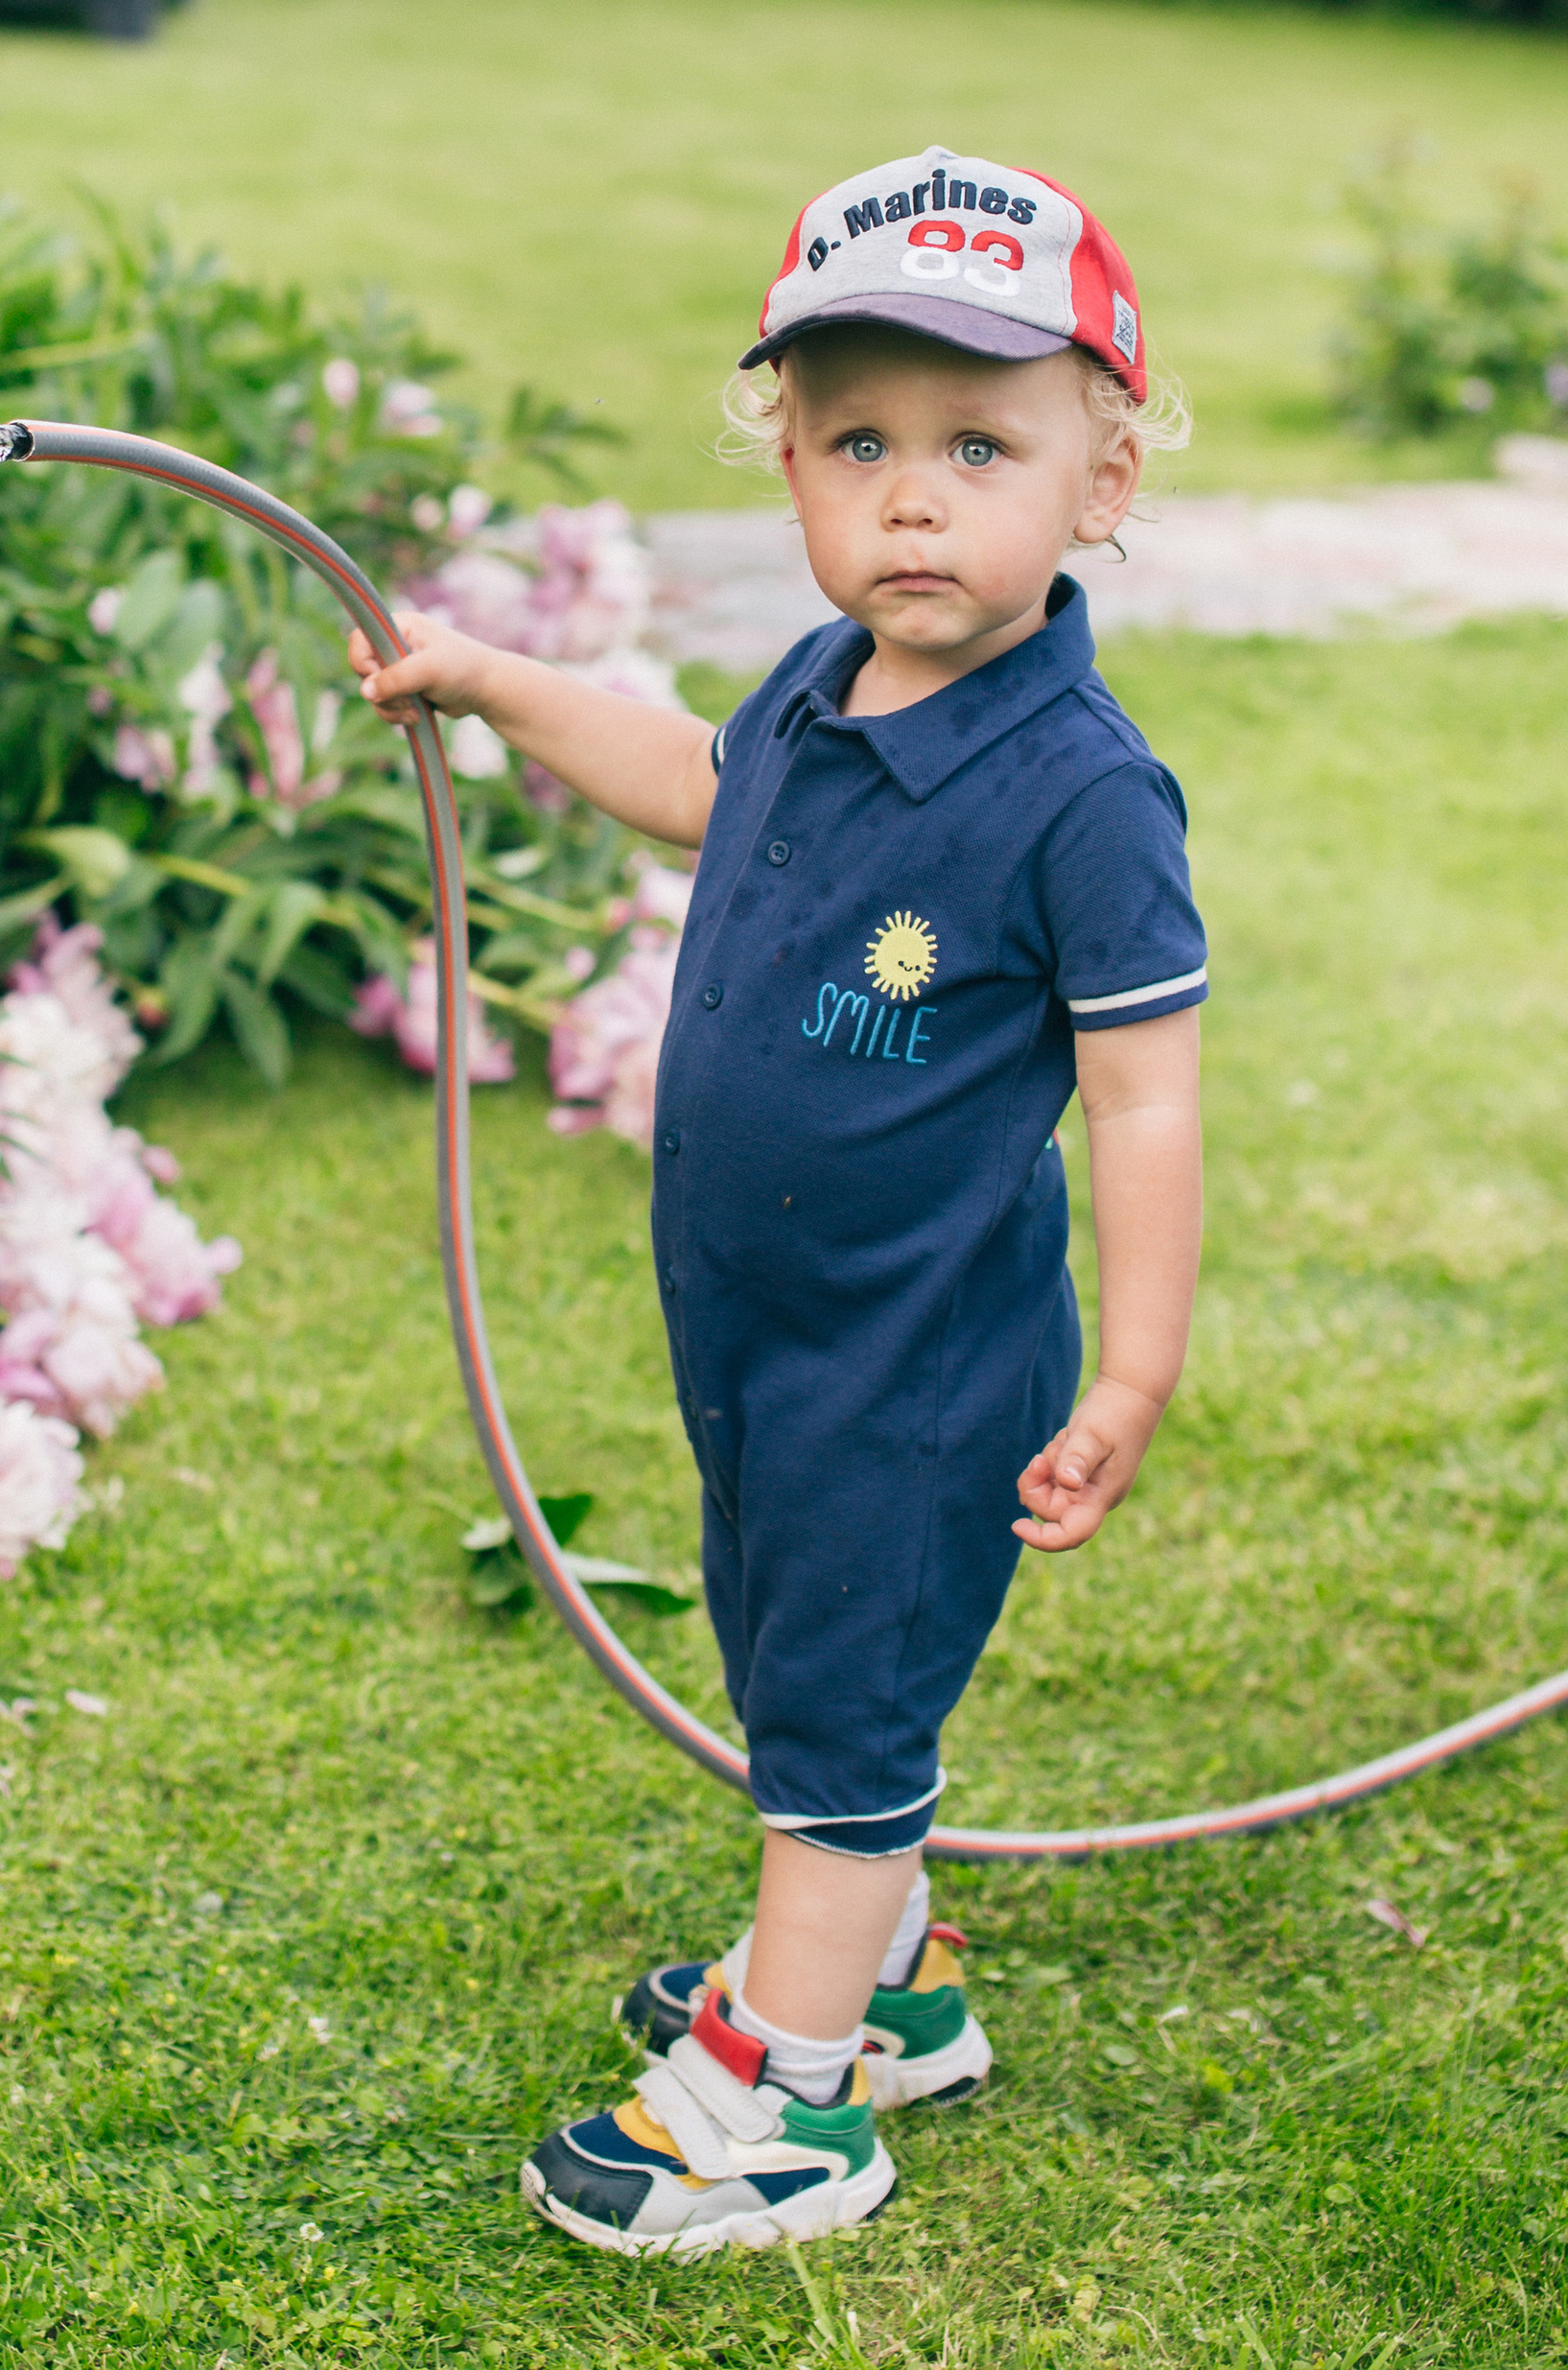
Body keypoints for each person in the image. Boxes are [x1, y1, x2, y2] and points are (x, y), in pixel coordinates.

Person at [350, 148, 1207, 2262]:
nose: (910, 497)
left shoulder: (1081, 795)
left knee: (833, 1702)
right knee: (785, 1645)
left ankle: (785, 2112)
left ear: (1100, 478)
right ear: (794, 470)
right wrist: (499, 684)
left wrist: (1139, 1364)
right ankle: (882, 1989)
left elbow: (1145, 1101)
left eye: (977, 444)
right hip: (766, 1328)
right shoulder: (822, 696)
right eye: (857, 442)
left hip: (913, 1360)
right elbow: (696, 791)